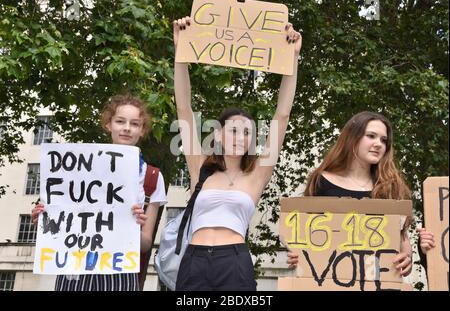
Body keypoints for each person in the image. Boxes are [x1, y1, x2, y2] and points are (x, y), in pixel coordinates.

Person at [172, 16, 302, 291]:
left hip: (234, 262)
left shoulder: (256, 175)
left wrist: (292, 59)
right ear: (218, 135)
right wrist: (181, 52)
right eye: (233, 131)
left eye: (247, 133)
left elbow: (282, 115)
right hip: (194, 261)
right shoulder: (201, 168)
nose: (240, 138)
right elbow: (184, 109)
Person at [31, 94, 167, 291]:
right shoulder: (76, 167)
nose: (127, 128)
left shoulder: (152, 177)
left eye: (135, 123)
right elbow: (63, 223)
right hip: (74, 269)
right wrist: (44, 220)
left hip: (119, 271)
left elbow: (146, 243)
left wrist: (133, 227)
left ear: (142, 130)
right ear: (108, 125)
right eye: (120, 121)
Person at [286, 111, 414, 277]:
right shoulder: (322, 181)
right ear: (353, 138)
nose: (379, 144)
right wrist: (297, 255)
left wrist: (407, 259)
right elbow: (304, 235)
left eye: (384, 140)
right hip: (331, 282)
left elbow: (402, 238)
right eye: (371, 136)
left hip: (378, 282)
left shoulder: (390, 186)